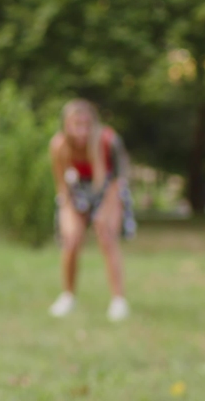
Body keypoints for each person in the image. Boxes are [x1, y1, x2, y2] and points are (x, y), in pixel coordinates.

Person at [48, 99, 136, 321]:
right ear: (66, 125)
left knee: (106, 236)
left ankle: (118, 301)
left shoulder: (108, 141)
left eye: (86, 125)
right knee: (71, 240)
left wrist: (106, 211)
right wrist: (67, 210)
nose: (82, 131)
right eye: (76, 125)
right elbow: (61, 184)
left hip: (108, 188)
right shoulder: (59, 145)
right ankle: (68, 296)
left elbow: (119, 179)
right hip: (76, 189)